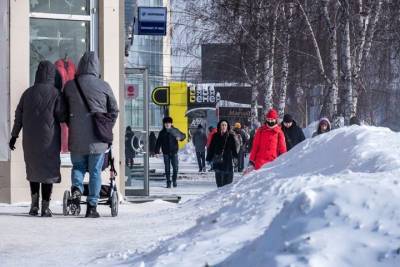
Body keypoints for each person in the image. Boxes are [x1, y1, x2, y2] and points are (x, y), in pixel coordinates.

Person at [63, 51, 119, 218]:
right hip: (97, 139)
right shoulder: (104, 86)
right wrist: (106, 126)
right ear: (96, 67)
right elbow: (114, 110)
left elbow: (62, 110)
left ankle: (77, 189)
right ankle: (92, 207)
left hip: (77, 138)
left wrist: (71, 124)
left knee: (78, 167)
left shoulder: (70, 86)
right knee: (95, 171)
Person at [9, 61, 66, 217]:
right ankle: (45, 207)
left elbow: (18, 116)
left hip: (30, 139)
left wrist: (14, 136)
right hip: (50, 139)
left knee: (33, 170)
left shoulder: (27, 93)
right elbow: (61, 116)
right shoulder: (56, 94)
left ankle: (34, 205)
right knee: (47, 171)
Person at [155, 117, 186, 188]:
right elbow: (158, 142)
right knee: (167, 168)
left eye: (168, 123)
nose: (167, 124)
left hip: (174, 152)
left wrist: (180, 138)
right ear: (164, 124)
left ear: (171, 123)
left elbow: (183, 135)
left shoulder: (175, 130)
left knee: (175, 168)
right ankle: (168, 182)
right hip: (166, 152)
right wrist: (157, 151)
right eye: (166, 123)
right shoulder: (162, 132)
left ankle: (174, 179)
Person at [206, 120, 239, 187]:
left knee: (228, 183)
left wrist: (235, 157)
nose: (223, 126)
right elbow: (211, 147)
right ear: (220, 126)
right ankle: (219, 195)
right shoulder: (215, 136)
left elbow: (233, 149)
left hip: (228, 161)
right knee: (219, 183)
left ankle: (226, 195)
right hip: (218, 161)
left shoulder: (230, 136)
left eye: (225, 125)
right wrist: (209, 158)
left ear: (227, 127)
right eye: (222, 125)